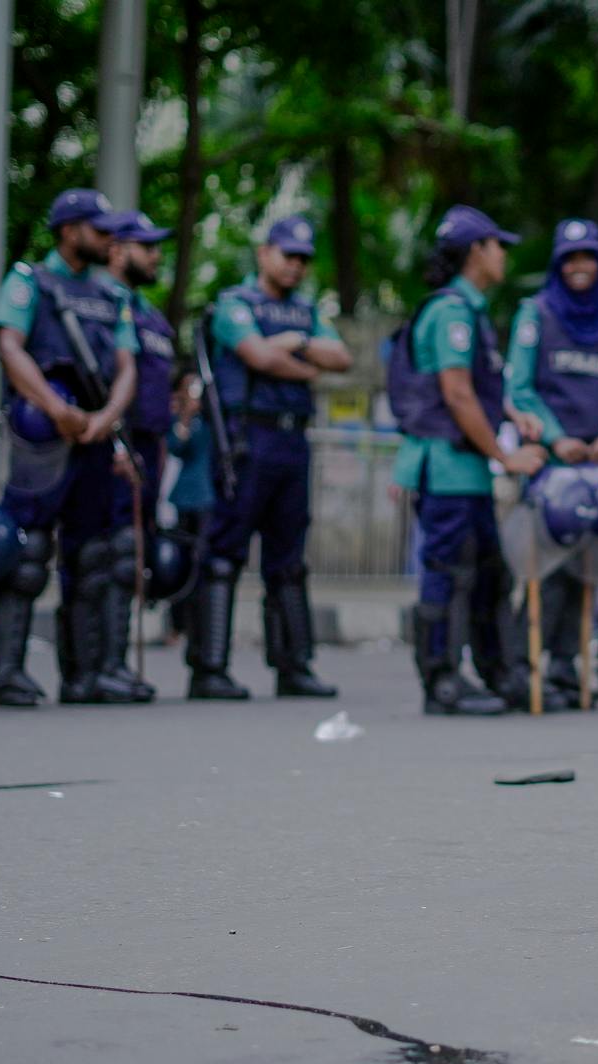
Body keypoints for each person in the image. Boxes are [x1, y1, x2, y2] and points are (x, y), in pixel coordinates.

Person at [0, 188, 139, 707]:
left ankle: (83, 675)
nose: (108, 238)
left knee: (91, 557)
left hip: (92, 436)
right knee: (26, 554)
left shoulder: (110, 295)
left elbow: (126, 366)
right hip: (44, 438)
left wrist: (105, 418)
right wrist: (57, 409)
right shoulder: (30, 282)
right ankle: (7, 672)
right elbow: (9, 346)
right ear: (69, 231)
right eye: (98, 230)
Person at [388, 205, 546, 715]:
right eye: (498, 245)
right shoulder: (452, 311)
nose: (503, 255)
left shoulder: (470, 310)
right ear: (476, 251)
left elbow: (475, 388)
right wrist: (505, 455)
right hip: (448, 467)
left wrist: (512, 412)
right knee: (448, 575)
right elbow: (456, 396)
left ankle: (498, 676)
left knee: (486, 575)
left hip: (467, 471)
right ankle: (443, 684)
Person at [191, 217, 351, 701]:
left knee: (288, 560)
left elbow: (340, 357)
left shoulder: (305, 312)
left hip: (291, 444)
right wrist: (306, 366)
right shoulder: (236, 304)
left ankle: (293, 666)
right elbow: (257, 356)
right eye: (288, 255)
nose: (296, 266)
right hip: (246, 440)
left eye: (303, 258)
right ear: (264, 253)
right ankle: (209, 668)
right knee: (223, 555)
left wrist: (295, 344)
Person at [503, 218, 598, 706]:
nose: (580, 267)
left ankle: (565, 669)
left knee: (589, 571)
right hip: (552, 465)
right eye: (571, 259)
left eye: (588, 258)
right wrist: (558, 439)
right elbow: (519, 387)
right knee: (545, 570)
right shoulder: (535, 314)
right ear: (559, 265)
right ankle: (525, 667)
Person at [100, 209, 183, 700]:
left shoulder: (150, 315)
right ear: (117, 250)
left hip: (151, 447)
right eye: (145, 245)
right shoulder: (103, 303)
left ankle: (116, 663)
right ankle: (101, 664)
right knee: (109, 556)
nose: (155, 255)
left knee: (134, 556)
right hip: (116, 445)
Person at [162, 367, 211, 643]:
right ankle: (176, 625)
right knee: (179, 565)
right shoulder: (180, 420)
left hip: (208, 500)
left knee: (203, 564)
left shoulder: (212, 419)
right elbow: (175, 446)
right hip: (184, 498)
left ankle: (200, 627)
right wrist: (185, 414)